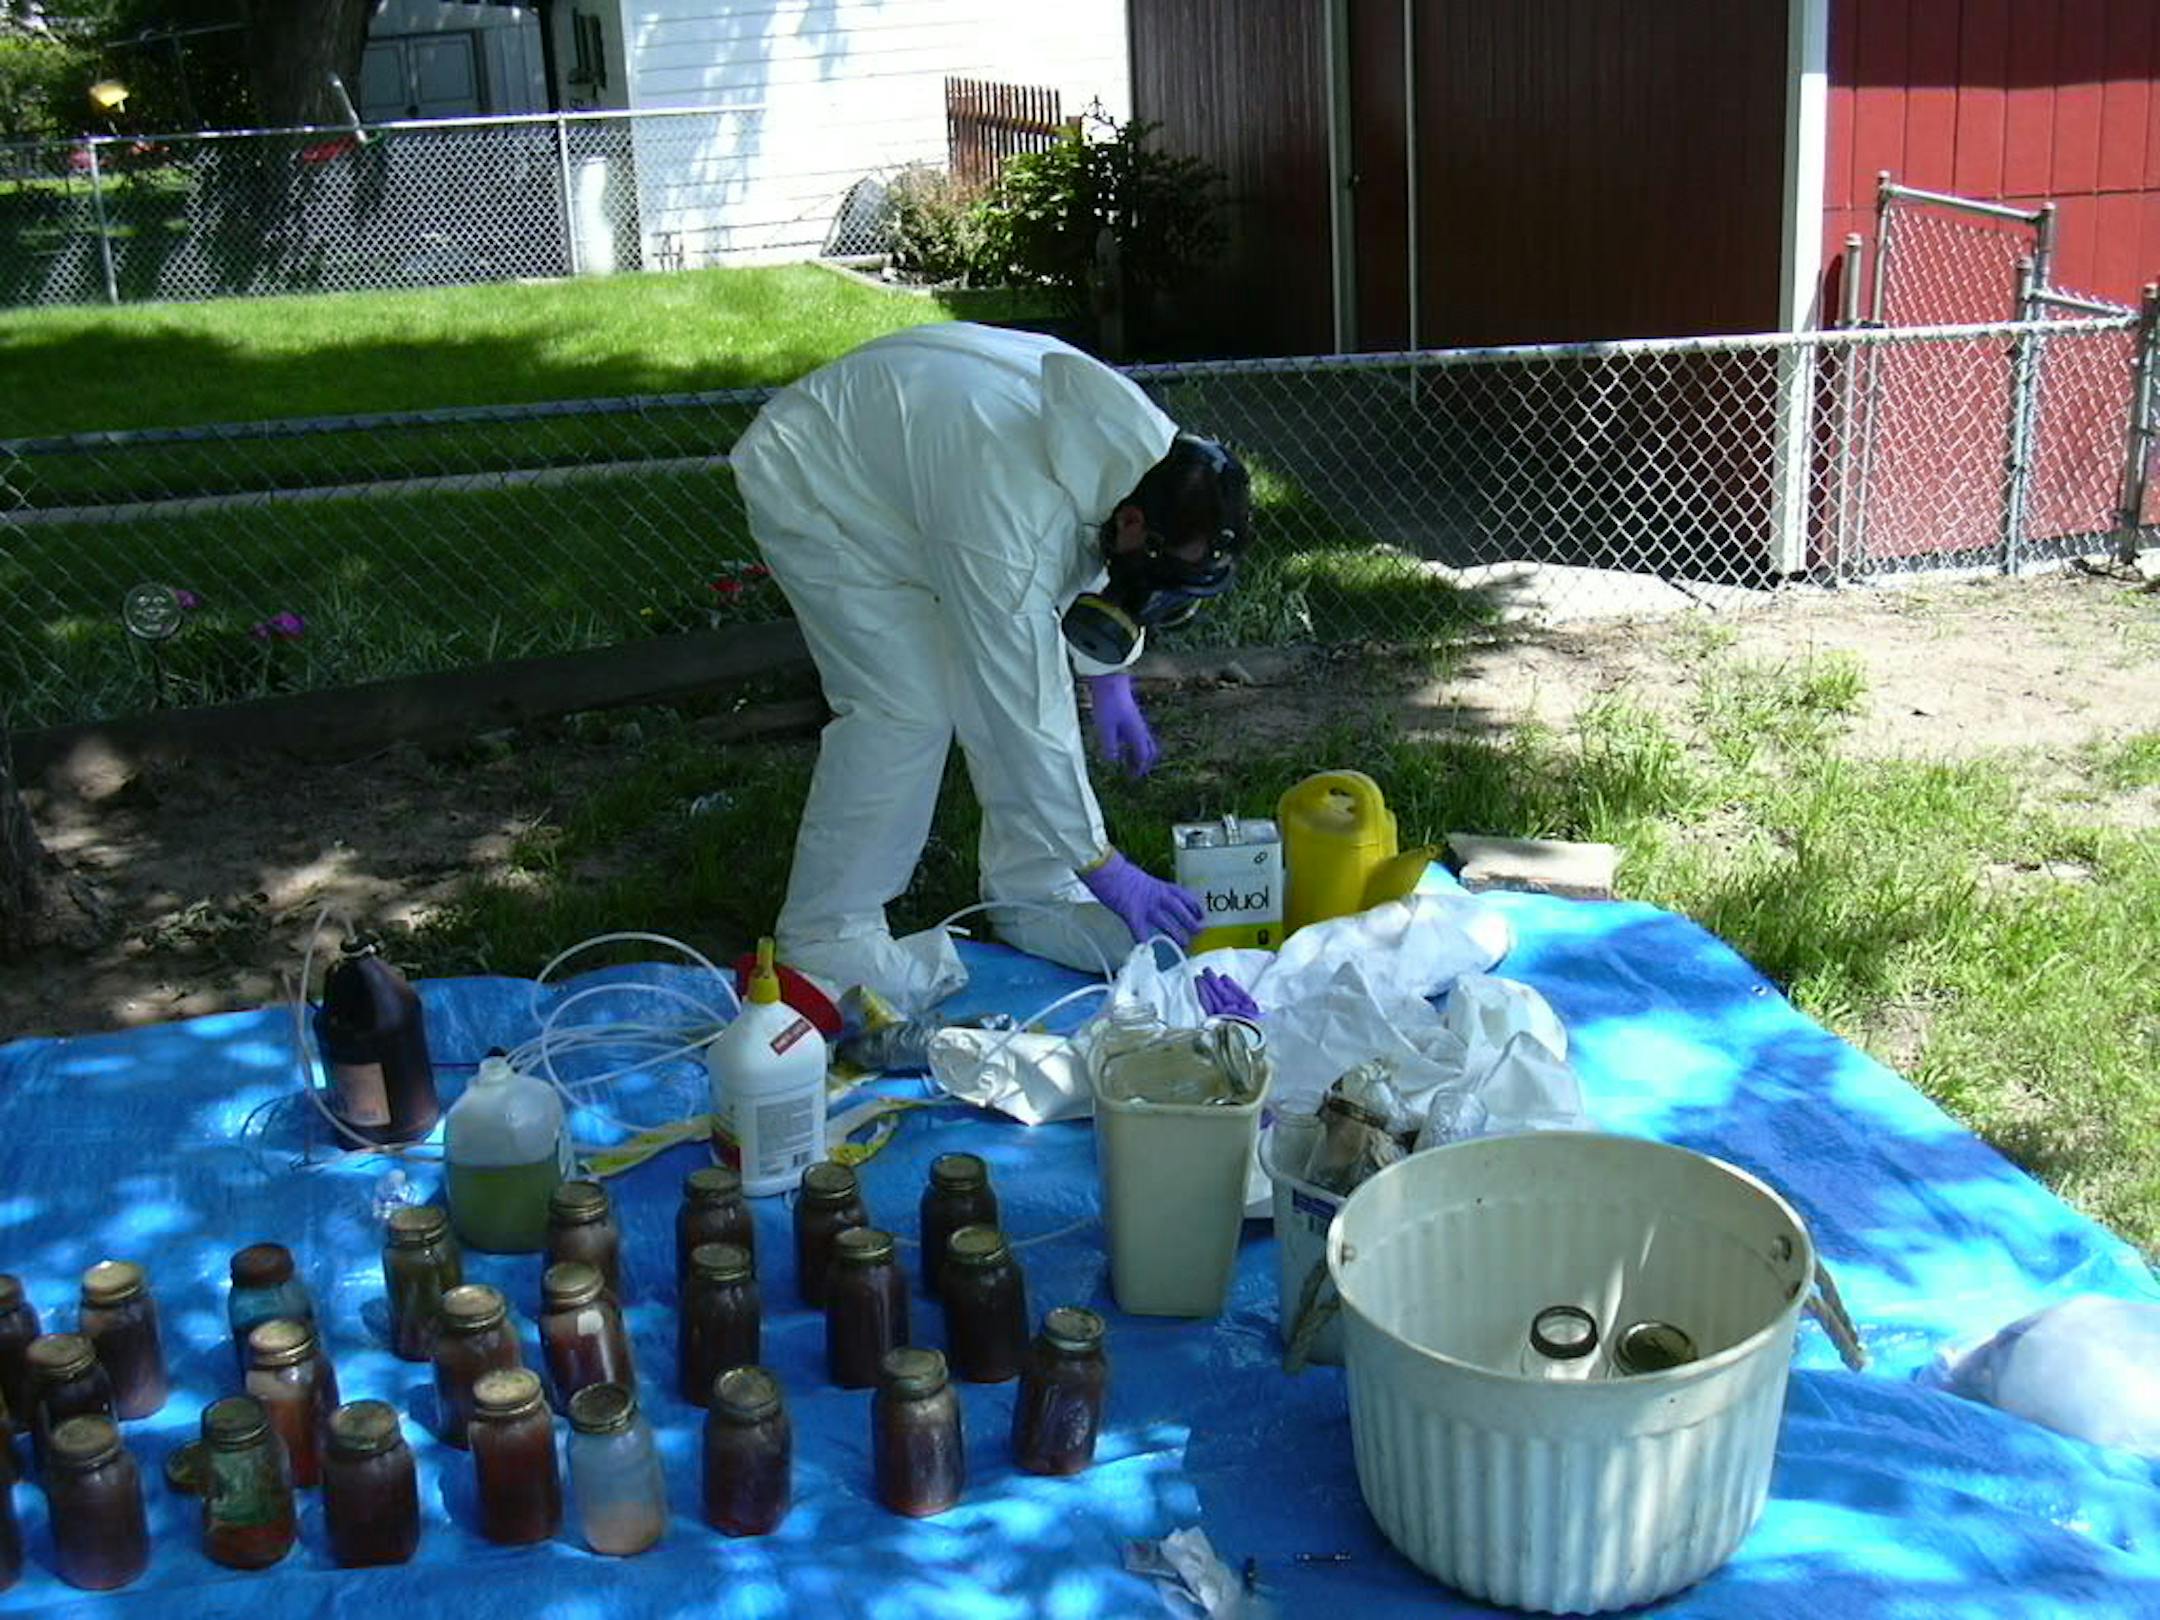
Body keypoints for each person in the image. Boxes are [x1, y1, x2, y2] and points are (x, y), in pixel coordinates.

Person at [729, 321, 1253, 1001]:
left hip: (920, 469)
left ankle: (1031, 889)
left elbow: (1100, 561)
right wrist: (1106, 866)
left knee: (996, 679)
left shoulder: (1143, 451)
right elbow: (1027, 705)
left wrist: (1110, 678)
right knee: (906, 708)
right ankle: (826, 933)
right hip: (815, 477)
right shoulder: (1012, 524)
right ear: (1133, 526)